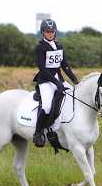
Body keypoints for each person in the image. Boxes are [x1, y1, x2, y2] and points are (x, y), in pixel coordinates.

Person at [32, 19, 79, 147]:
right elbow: (43, 68)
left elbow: (65, 66)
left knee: (75, 96)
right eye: (47, 32)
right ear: (43, 33)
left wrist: (76, 81)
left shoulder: (59, 46)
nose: (50, 34)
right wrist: (56, 83)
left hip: (59, 79)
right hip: (45, 81)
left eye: (52, 32)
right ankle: (38, 133)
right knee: (46, 106)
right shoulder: (40, 47)